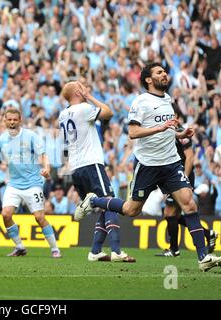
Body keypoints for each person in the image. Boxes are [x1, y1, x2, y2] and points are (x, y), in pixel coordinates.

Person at [83, 63, 221, 272]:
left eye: (164, 71)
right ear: (149, 80)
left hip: (170, 163)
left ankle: (203, 257)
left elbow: (166, 131)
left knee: (189, 204)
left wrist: (179, 134)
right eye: (159, 72)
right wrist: (160, 127)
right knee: (130, 210)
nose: (165, 74)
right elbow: (133, 132)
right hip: (148, 164)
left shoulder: (168, 100)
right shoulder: (141, 101)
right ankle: (94, 200)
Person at [60, 81, 135, 263]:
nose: (85, 87)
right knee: (108, 201)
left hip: (76, 167)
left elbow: (65, 146)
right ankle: (116, 250)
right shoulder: (84, 108)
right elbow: (109, 112)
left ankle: (95, 251)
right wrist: (90, 97)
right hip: (91, 164)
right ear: (78, 92)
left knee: (105, 207)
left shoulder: (62, 115)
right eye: (81, 86)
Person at [0, 107, 61, 258]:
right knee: (6, 214)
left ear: (20, 120)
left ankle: (55, 249)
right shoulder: (1, 140)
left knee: (39, 217)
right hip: (14, 185)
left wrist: (46, 168)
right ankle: (20, 246)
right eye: (9, 119)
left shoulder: (30, 136)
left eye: (15, 119)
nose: (12, 122)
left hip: (33, 183)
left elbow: (43, 155)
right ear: (4, 120)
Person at [156, 116, 218, 257]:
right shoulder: (168, 132)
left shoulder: (181, 132)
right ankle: (208, 234)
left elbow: (190, 157)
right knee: (174, 215)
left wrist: (183, 178)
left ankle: (174, 249)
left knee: (170, 213)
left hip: (182, 176)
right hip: (174, 176)